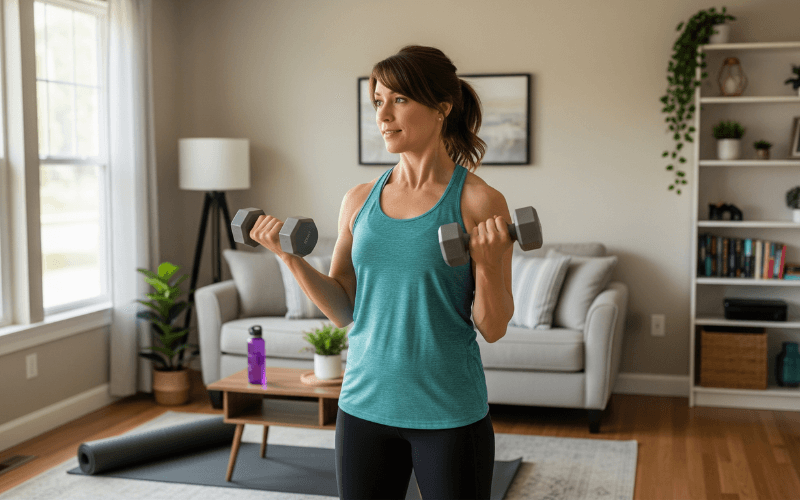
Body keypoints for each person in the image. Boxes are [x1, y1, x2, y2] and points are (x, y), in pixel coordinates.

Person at [249, 45, 515, 500]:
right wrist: (288, 257)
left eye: (399, 100)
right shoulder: (358, 201)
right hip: (363, 408)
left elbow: (492, 327)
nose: (383, 115)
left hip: (448, 411)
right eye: (378, 101)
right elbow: (342, 309)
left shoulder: (478, 201)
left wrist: (488, 265)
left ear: (441, 109)